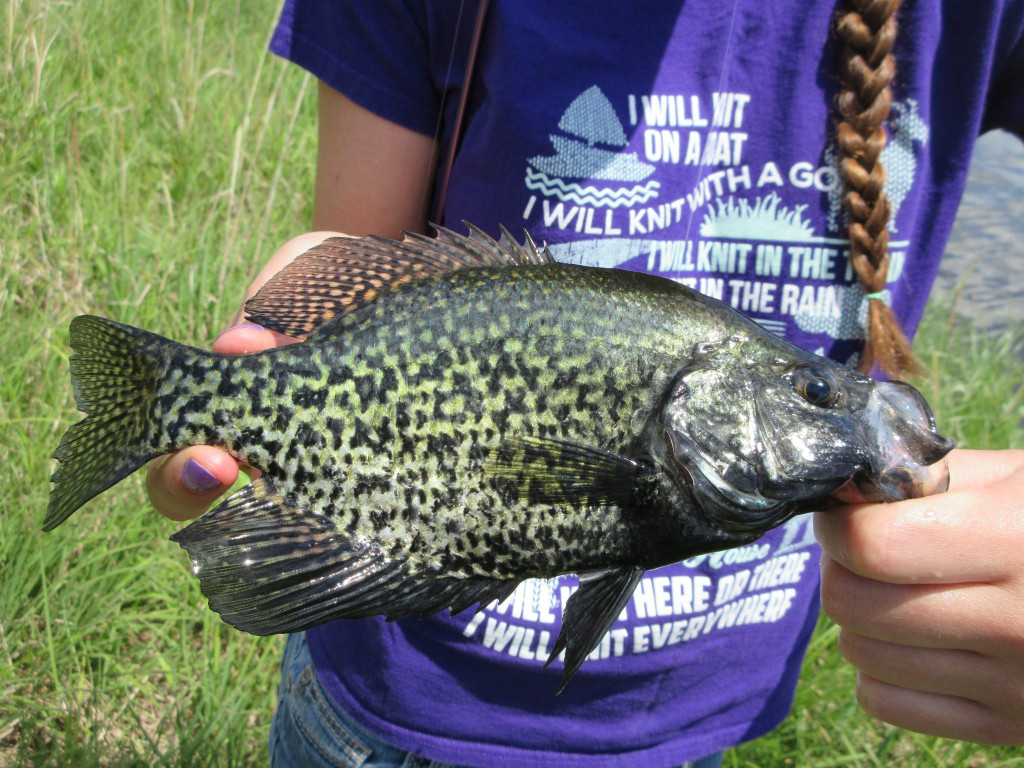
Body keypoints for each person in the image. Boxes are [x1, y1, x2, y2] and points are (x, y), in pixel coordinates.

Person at [146, 0, 1024, 765]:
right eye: (811, 395)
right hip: (396, 712)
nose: (835, 406)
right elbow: (356, 263)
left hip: (698, 716)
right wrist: (257, 391)